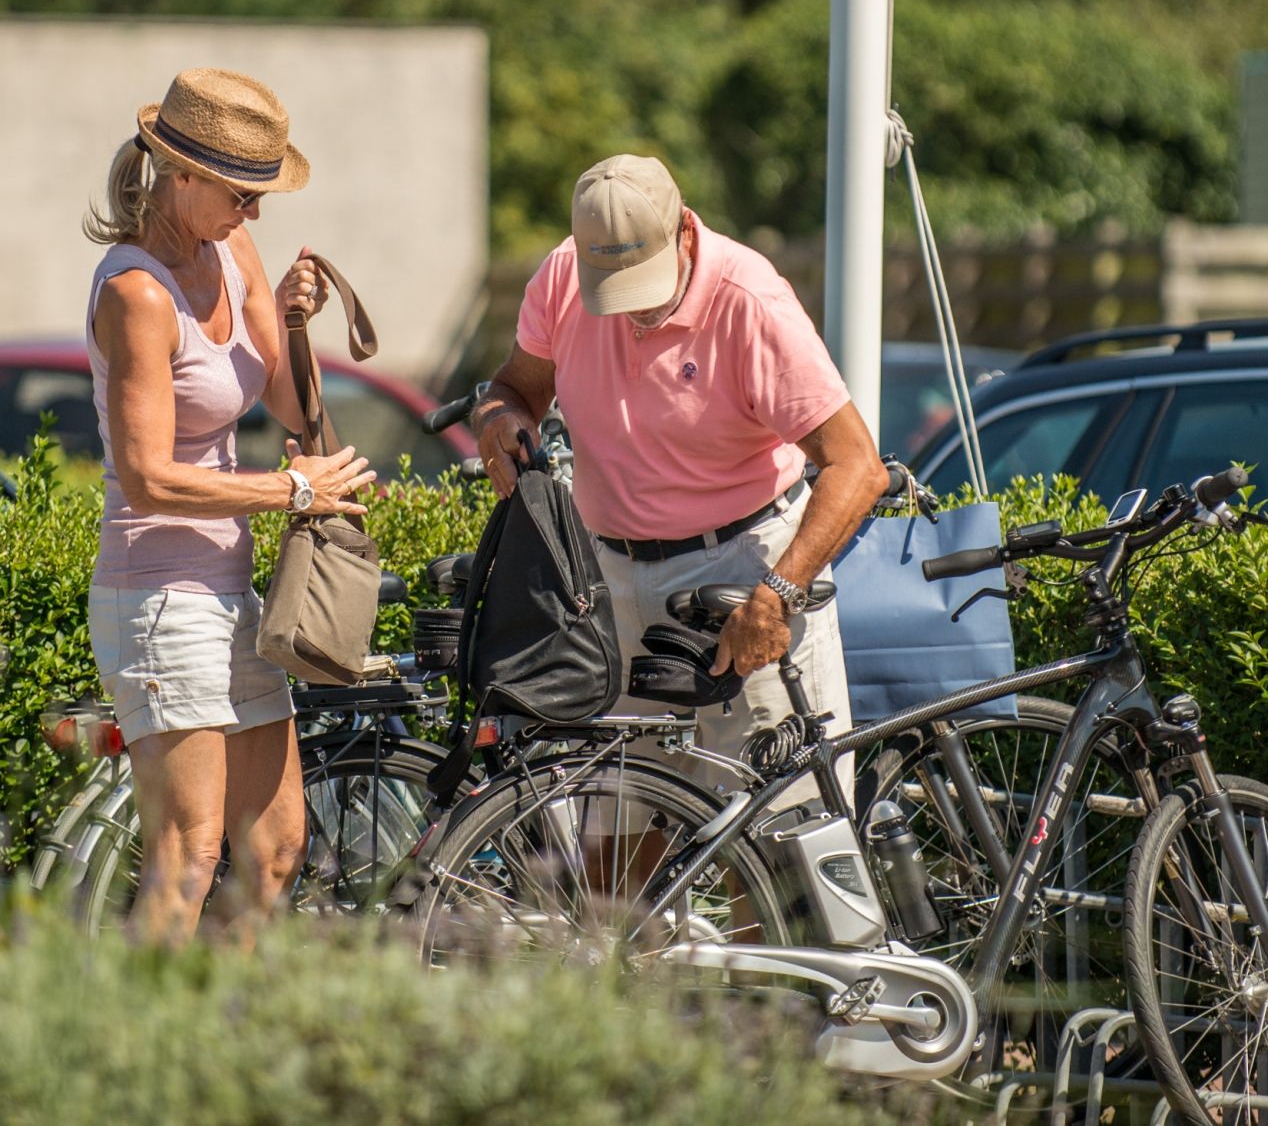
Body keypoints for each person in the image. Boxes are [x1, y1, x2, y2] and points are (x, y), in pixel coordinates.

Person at [473, 154, 887, 813]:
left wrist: (776, 597)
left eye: (641, 281)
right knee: (612, 843)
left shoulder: (751, 303)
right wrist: (498, 418)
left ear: (683, 233)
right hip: (609, 573)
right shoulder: (561, 275)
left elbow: (858, 466)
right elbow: (514, 388)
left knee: (767, 833)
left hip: (743, 567)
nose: (630, 309)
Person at [83, 68, 376, 944]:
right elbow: (148, 479)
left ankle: (218, 1046)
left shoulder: (233, 253)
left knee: (277, 847)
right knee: (190, 854)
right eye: (242, 195)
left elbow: (291, 409)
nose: (253, 216)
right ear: (181, 175)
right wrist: (291, 490)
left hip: (231, 594)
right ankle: (137, 1069)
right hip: (159, 598)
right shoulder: (133, 291)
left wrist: (291, 324)